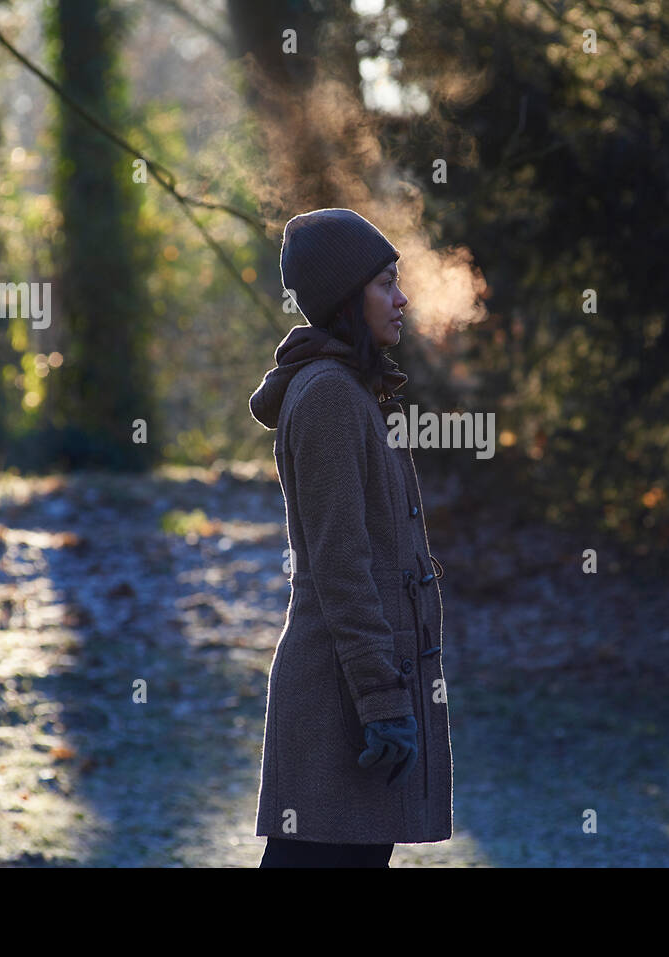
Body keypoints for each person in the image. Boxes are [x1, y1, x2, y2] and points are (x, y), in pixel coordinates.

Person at [248, 208, 453, 868]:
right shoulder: (331, 396)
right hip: (341, 704)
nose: (401, 298)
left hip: (355, 698)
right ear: (345, 295)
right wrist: (383, 701)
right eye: (384, 282)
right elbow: (341, 567)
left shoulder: (351, 391)